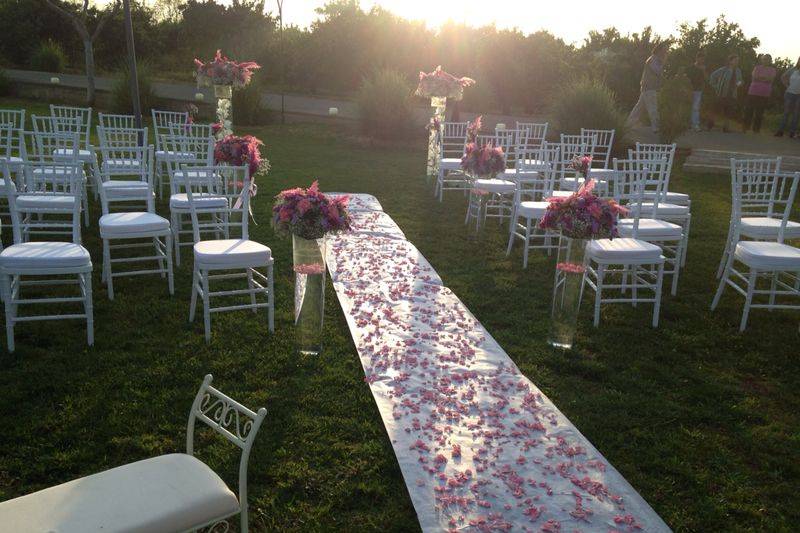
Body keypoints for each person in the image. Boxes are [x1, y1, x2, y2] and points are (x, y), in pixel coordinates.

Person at [626, 41, 669, 133]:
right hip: (649, 87)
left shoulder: (654, 59)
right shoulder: (653, 60)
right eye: (665, 50)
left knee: (639, 107)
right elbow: (657, 71)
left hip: (647, 87)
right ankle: (656, 127)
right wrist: (663, 62)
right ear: (660, 50)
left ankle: (628, 124)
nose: (666, 52)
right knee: (653, 107)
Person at [742, 54, 777, 133]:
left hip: (764, 93)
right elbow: (754, 77)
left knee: (760, 112)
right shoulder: (757, 68)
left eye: (767, 59)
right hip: (753, 91)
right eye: (764, 59)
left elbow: (770, 80)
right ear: (762, 60)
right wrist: (764, 78)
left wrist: (760, 78)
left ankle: (756, 129)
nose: (766, 61)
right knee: (749, 110)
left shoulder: (772, 70)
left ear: (770, 61)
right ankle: (745, 127)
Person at [709, 54, 743, 132]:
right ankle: (710, 123)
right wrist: (715, 86)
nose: (737, 62)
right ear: (730, 61)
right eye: (735, 60)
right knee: (716, 109)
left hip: (732, 94)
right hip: (721, 93)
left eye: (738, 60)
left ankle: (726, 127)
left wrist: (739, 84)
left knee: (729, 111)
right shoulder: (723, 69)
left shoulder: (738, 71)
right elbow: (713, 76)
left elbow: (740, 80)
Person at [775, 57, 800, 138]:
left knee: (796, 114)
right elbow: (783, 77)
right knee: (786, 112)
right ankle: (780, 131)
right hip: (789, 93)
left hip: (799, 95)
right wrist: (786, 85)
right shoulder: (793, 69)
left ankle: (792, 132)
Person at [686, 51, 707, 131]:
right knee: (689, 106)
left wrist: (703, 71)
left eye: (703, 59)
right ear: (697, 58)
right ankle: (688, 123)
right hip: (689, 89)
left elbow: (706, 79)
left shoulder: (703, 68)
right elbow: (686, 78)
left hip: (698, 90)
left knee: (696, 107)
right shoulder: (690, 68)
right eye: (701, 58)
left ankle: (695, 124)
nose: (702, 60)